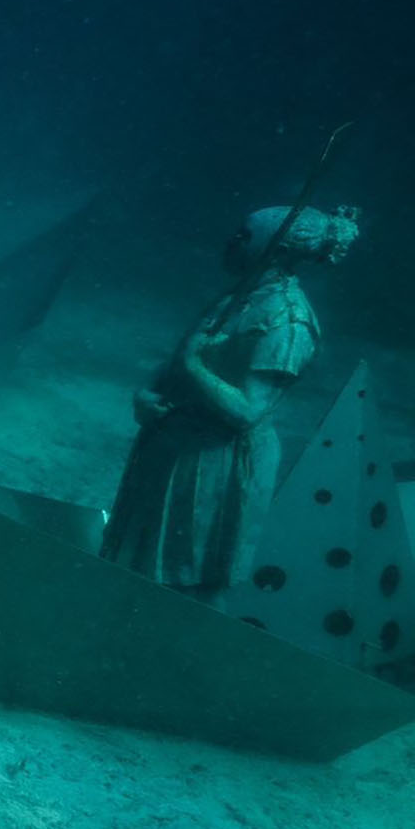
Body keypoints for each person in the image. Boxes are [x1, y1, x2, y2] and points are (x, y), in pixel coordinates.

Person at [100, 202, 360, 599]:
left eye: (245, 235)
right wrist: (147, 394)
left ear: (277, 249)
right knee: (139, 569)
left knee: (185, 584)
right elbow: (184, 356)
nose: (232, 241)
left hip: (216, 464)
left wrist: (192, 365)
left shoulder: (287, 322)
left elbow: (246, 411)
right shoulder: (241, 296)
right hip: (179, 453)